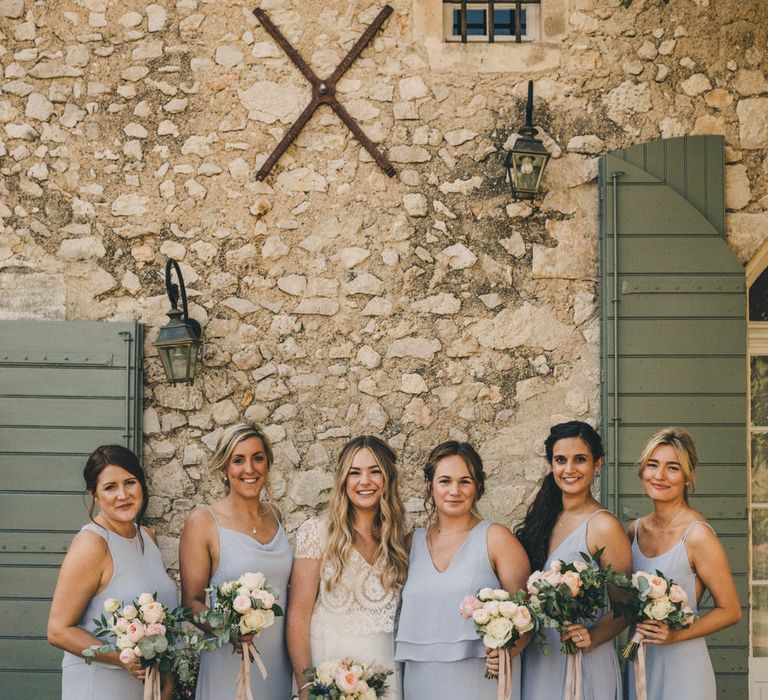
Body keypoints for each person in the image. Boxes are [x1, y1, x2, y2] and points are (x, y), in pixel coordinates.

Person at [395, 441, 531, 700]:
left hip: (480, 678)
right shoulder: (411, 543)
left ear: (477, 487)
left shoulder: (496, 538)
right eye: (445, 481)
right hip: (420, 680)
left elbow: (527, 614)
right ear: (430, 485)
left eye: (465, 481)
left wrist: (508, 652)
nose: (454, 491)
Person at [47, 445, 177, 700]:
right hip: (100, 685)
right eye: (110, 487)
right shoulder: (92, 543)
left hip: (145, 687)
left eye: (130, 482)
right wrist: (121, 657)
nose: (123, 495)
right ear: (94, 495)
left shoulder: (147, 537)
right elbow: (58, 630)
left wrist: (165, 673)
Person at [516, 421, 631, 700]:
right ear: (551, 465)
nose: (569, 469)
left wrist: (592, 636)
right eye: (560, 460)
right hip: (541, 656)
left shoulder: (603, 526)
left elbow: (626, 606)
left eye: (580, 459)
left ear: (597, 464)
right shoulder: (543, 519)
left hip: (582, 657)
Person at [287, 435, 408, 699]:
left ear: (387, 478)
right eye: (355, 473)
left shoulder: (397, 542)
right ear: (343, 480)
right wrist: (306, 688)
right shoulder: (316, 533)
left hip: (386, 677)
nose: (365, 481)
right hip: (329, 678)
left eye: (374, 471)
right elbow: (298, 616)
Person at [626, 427, 741, 700]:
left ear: (687, 477)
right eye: (652, 465)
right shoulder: (633, 531)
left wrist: (675, 635)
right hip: (640, 662)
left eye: (673, 468)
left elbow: (731, 610)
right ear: (643, 471)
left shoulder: (698, 535)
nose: (660, 476)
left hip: (684, 666)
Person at [180, 423, 293, 700]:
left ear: (268, 462)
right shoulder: (204, 523)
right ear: (224, 468)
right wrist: (228, 629)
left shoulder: (276, 516)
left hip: (278, 662)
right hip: (228, 663)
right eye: (238, 460)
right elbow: (190, 603)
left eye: (257, 458)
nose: (249, 469)